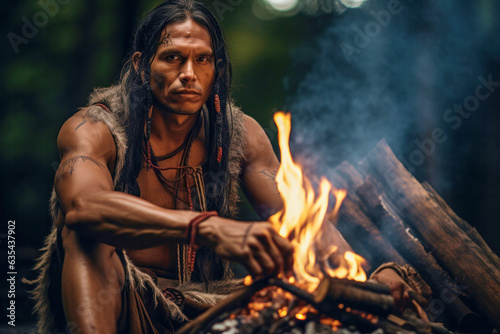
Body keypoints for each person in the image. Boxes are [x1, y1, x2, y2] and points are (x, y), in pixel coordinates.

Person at [26, 1, 430, 333]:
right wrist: (206, 226)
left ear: (215, 68)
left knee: (299, 285)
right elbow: (83, 207)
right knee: (84, 237)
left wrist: (366, 279)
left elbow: (303, 219)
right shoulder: (95, 128)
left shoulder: (240, 135)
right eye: (172, 58)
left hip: (210, 302)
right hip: (124, 302)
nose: (188, 74)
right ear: (140, 65)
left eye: (202, 60)